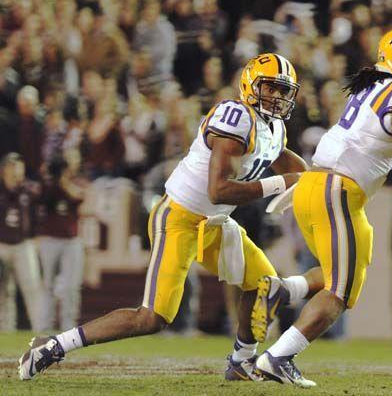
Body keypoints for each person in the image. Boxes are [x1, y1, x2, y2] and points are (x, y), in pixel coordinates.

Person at [19, 53, 322, 381]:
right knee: (152, 317)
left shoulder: (274, 128)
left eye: (283, 91)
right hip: (179, 216)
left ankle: (242, 362)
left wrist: (322, 180)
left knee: (263, 284)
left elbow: (295, 168)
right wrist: (284, 183)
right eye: (270, 88)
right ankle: (53, 345)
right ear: (250, 85)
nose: (277, 97)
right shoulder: (235, 117)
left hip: (213, 224)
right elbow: (219, 190)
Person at [251, 26, 392, 387]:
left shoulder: (374, 84)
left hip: (315, 185)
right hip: (337, 190)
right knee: (339, 292)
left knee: (341, 269)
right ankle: (277, 357)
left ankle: (285, 290)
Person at [36, 150, 88, 331]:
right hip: (49, 239)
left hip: (71, 240)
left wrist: (63, 181)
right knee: (47, 285)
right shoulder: (47, 185)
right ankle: (43, 326)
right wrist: (51, 179)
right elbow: (41, 199)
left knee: (71, 287)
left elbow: (79, 196)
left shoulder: (76, 181)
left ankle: (68, 328)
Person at [0, 153, 44, 332]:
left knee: (33, 288)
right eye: (12, 167)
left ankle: (40, 330)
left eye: (18, 166)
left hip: (24, 244)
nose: (16, 171)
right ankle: (5, 331)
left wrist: (36, 239)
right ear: (4, 170)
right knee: (4, 291)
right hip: (1, 245)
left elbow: (38, 216)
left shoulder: (30, 190)